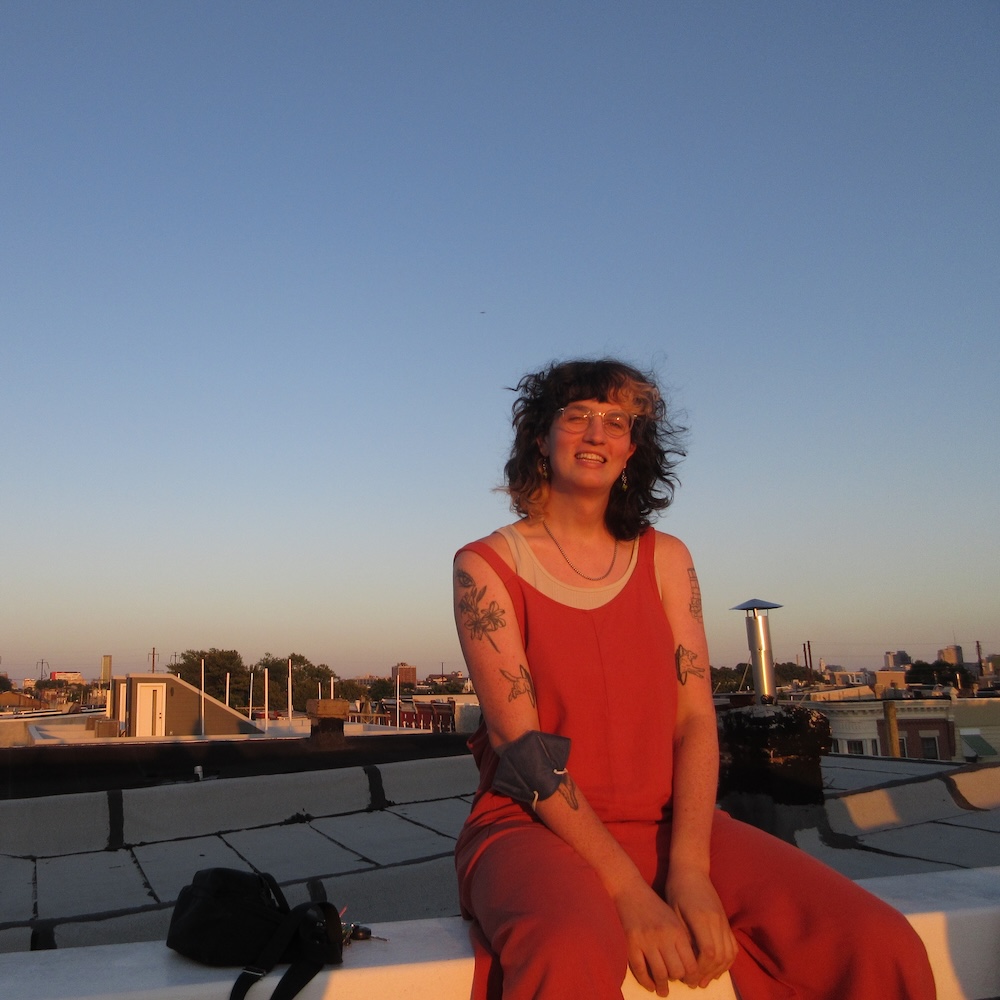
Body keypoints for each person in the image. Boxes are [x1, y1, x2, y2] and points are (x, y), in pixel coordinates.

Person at [452, 358, 935, 999]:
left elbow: (694, 719)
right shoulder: (484, 567)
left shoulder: (668, 559)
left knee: (874, 940)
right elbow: (525, 754)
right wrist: (628, 892)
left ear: (633, 448)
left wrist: (689, 871)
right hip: (533, 829)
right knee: (571, 947)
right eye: (577, 417)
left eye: (617, 422)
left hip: (674, 824)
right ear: (541, 437)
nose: (596, 434)